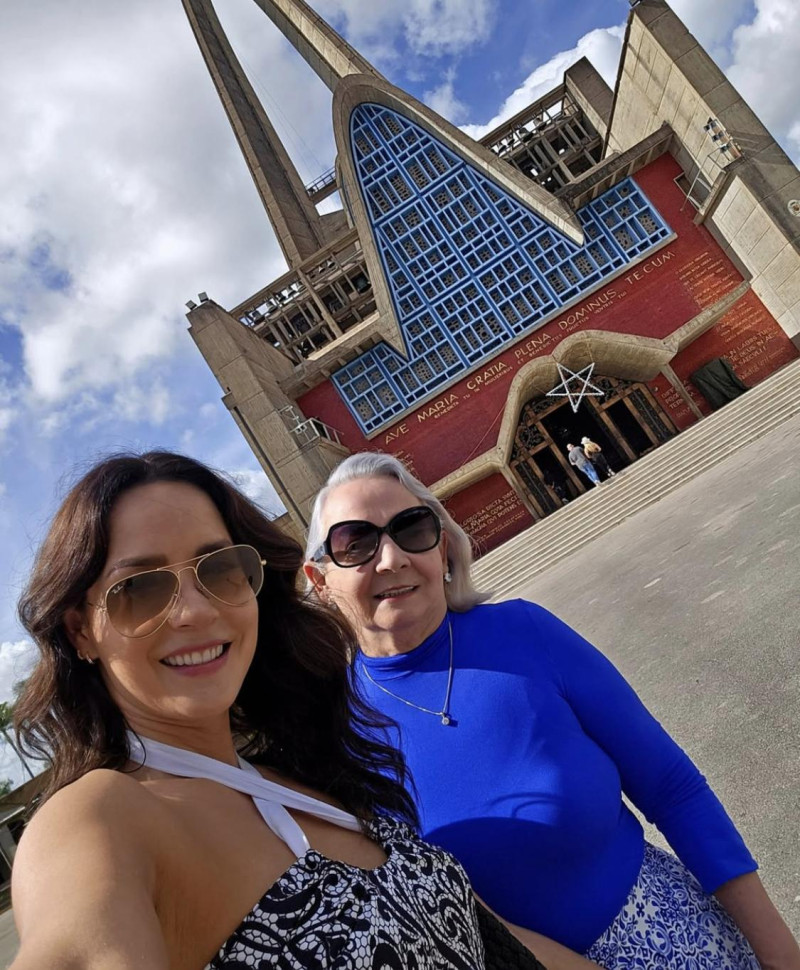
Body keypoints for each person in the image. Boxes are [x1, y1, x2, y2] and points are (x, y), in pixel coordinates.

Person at [10, 450, 593, 970]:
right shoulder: (102, 820)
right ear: (80, 630)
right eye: (139, 588)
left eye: (218, 570)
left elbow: (488, 934)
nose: (194, 611)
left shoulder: (305, 772)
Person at [304, 451, 800, 970]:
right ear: (320, 581)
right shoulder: (335, 732)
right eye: (355, 543)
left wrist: (779, 952)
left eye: (411, 529)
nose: (390, 558)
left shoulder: (524, 633)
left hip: (679, 942)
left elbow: (672, 788)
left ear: (443, 549)